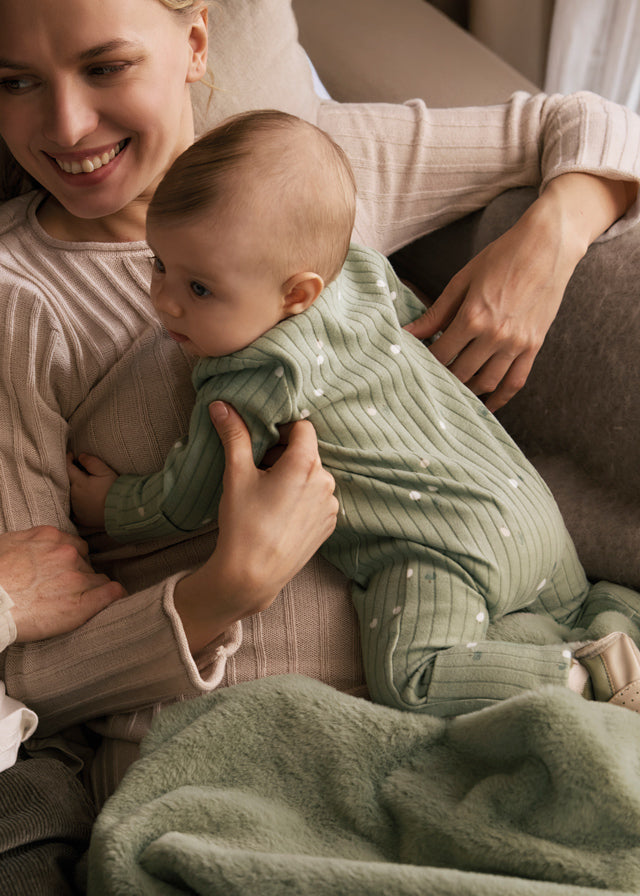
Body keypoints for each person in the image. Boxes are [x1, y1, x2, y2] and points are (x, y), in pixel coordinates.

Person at [0, 0, 640, 806]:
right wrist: (225, 588)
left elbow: (597, 122)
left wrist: (552, 236)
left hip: (473, 691)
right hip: (238, 761)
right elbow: (27, 675)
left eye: (106, 65)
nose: (66, 123)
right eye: (15, 79)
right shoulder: (17, 304)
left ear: (195, 43)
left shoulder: (304, 168)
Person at [69, 109, 640, 717]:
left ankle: (584, 678)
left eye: (199, 289)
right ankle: (620, 623)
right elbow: (415, 330)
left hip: (444, 551)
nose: (165, 302)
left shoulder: (252, 378)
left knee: (410, 677)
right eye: (158, 264)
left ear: (298, 294)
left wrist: (111, 505)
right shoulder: (364, 271)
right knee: (585, 608)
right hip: (525, 504)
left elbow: (186, 499)